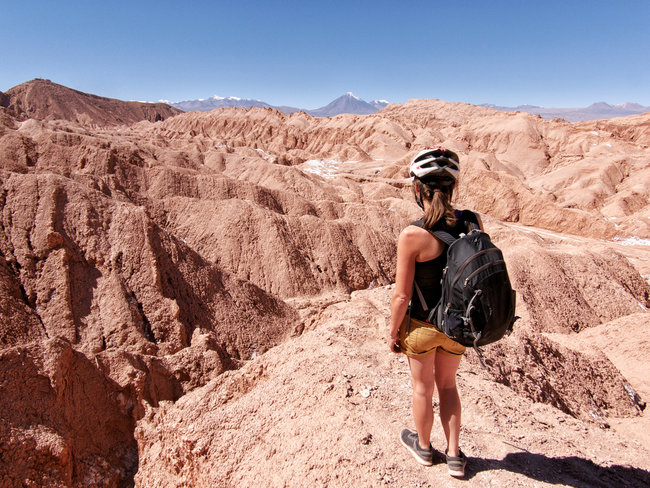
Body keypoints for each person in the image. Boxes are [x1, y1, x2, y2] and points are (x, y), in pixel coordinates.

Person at [388, 148, 483, 478]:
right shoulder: (471, 223)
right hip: (458, 327)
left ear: (418, 190)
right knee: (448, 385)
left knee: (422, 389)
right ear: (452, 188)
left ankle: (425, 448)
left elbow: (401, 296)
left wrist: (393, 333)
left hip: (422, 326)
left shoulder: (412, 236)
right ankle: (455, 456)